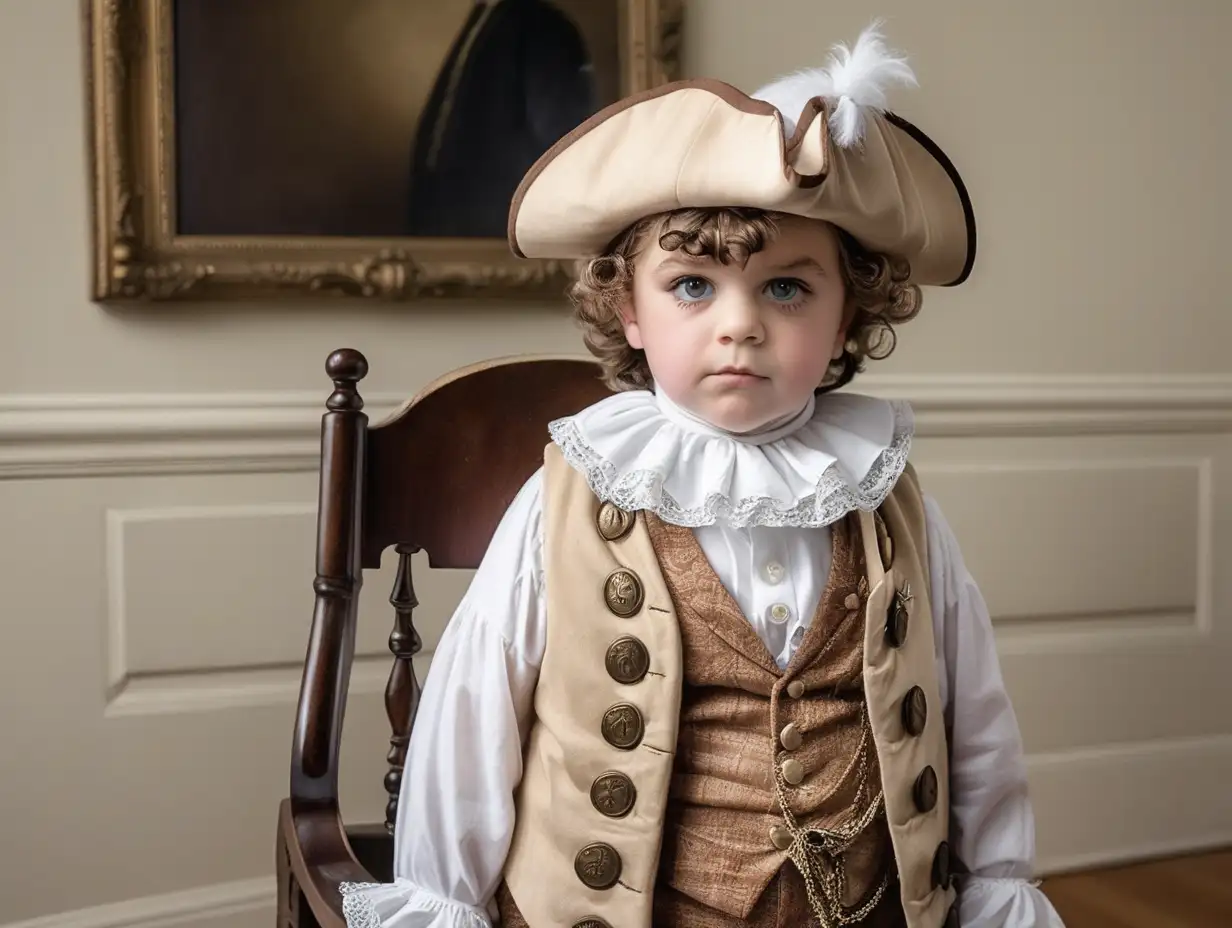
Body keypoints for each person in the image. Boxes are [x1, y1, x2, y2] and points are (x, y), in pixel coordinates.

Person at [342, 21, 1066, 928]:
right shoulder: (565, 500)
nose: (741, 325)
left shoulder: (892, 503)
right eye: (693, 284)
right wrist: (445, 900)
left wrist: (996, 884)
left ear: (849, 314)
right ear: (627, 307)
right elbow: (472, 718)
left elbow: (976, 718)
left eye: (788, 288)